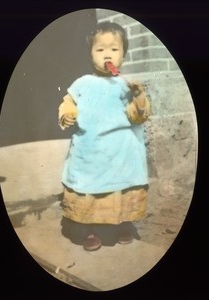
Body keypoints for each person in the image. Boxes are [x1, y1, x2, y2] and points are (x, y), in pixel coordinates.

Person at [58, 21, 150, 251]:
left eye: (114, 49)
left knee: (121, 187)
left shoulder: (126, 85)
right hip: (91, 149)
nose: (107, 54)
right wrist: (67, 114)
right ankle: (89, 229)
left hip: (120, 150)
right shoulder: (82, 83)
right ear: (91, 55)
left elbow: (138, 116)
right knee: (90, 187)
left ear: (124, 55)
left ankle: (122, 225)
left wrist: (138, 97)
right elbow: (68, 103)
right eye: (100, 50)